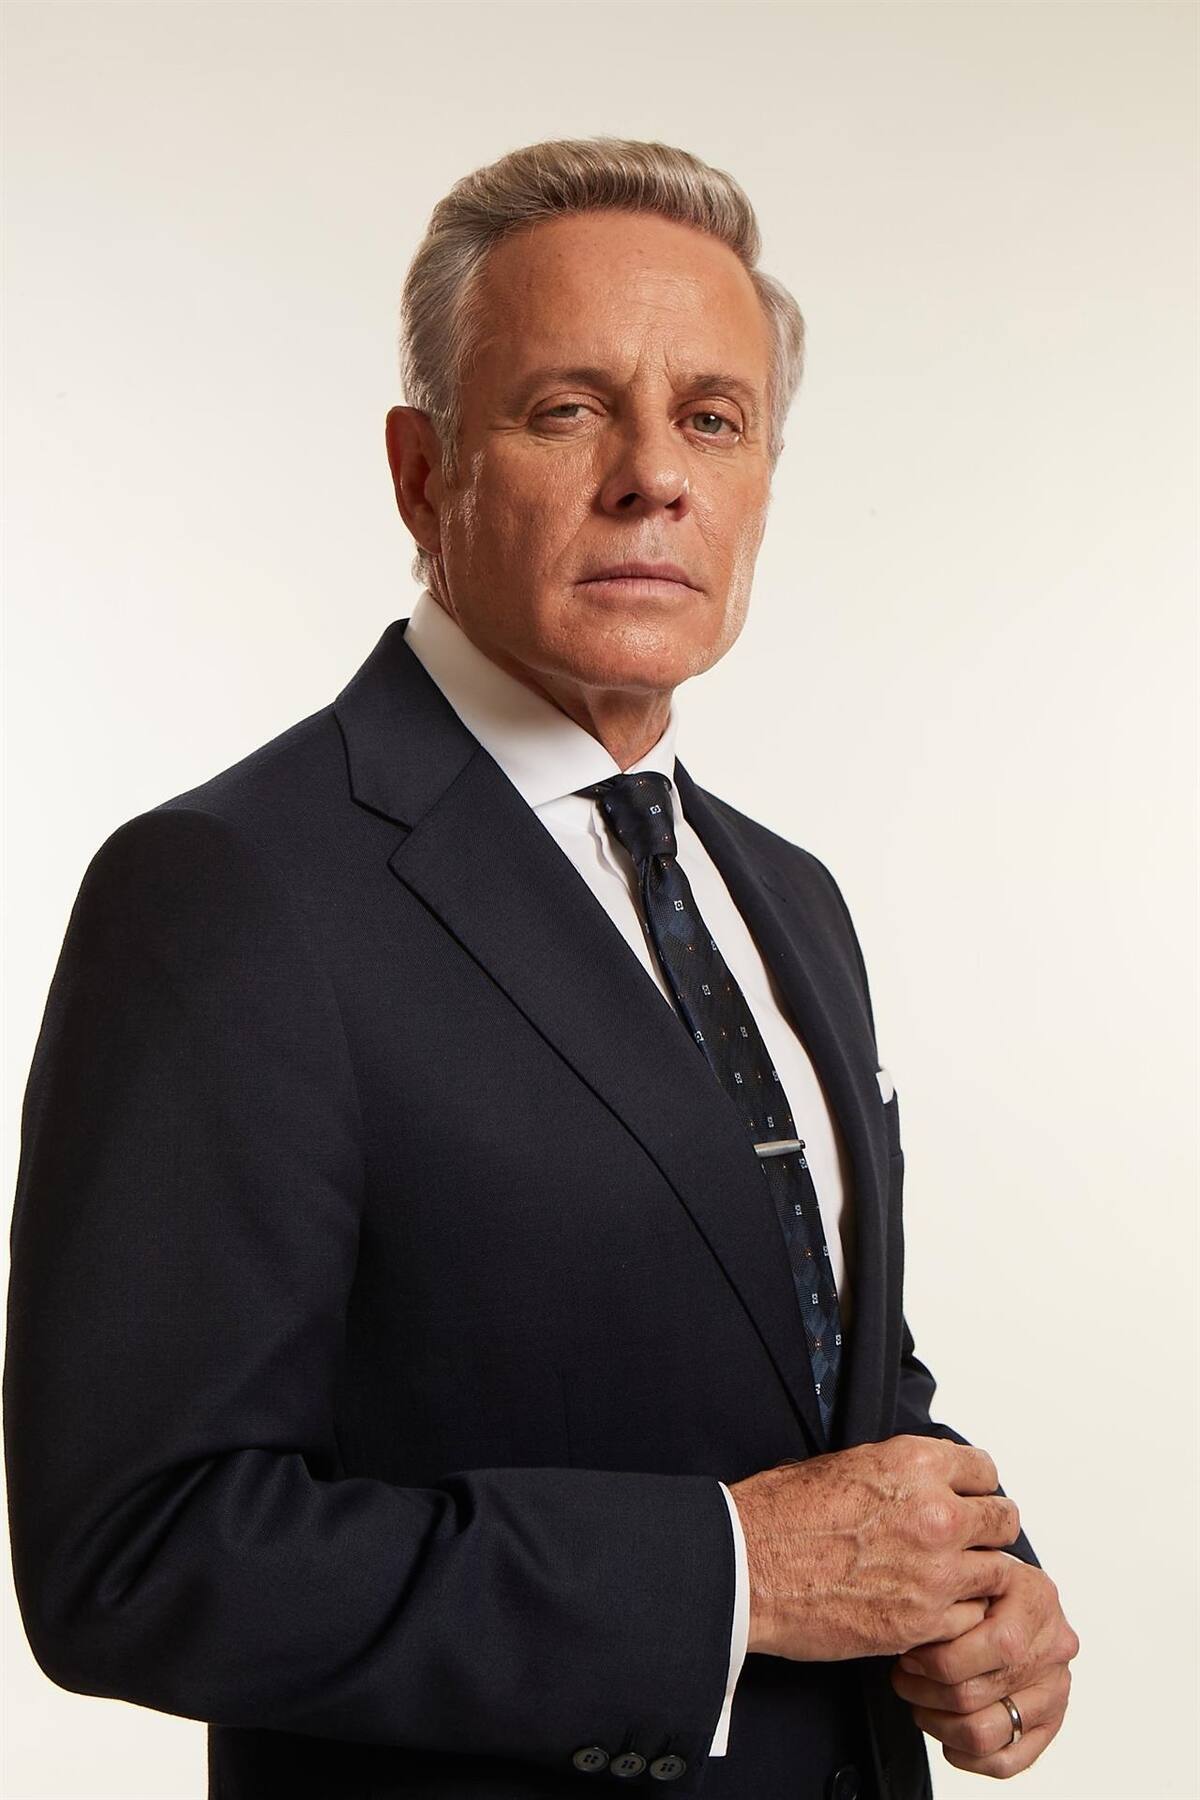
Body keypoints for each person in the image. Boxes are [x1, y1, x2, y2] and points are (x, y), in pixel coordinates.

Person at [4, 136, 1077, 1800]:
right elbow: (136, 1555)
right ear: (422, 472)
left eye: (712, 418)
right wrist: (728, 1581)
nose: (654, 477)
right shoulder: (229, 891)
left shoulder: (785, 896)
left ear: (763, 480)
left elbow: (803, 1351)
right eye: (569, 409)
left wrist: (981, 1575)